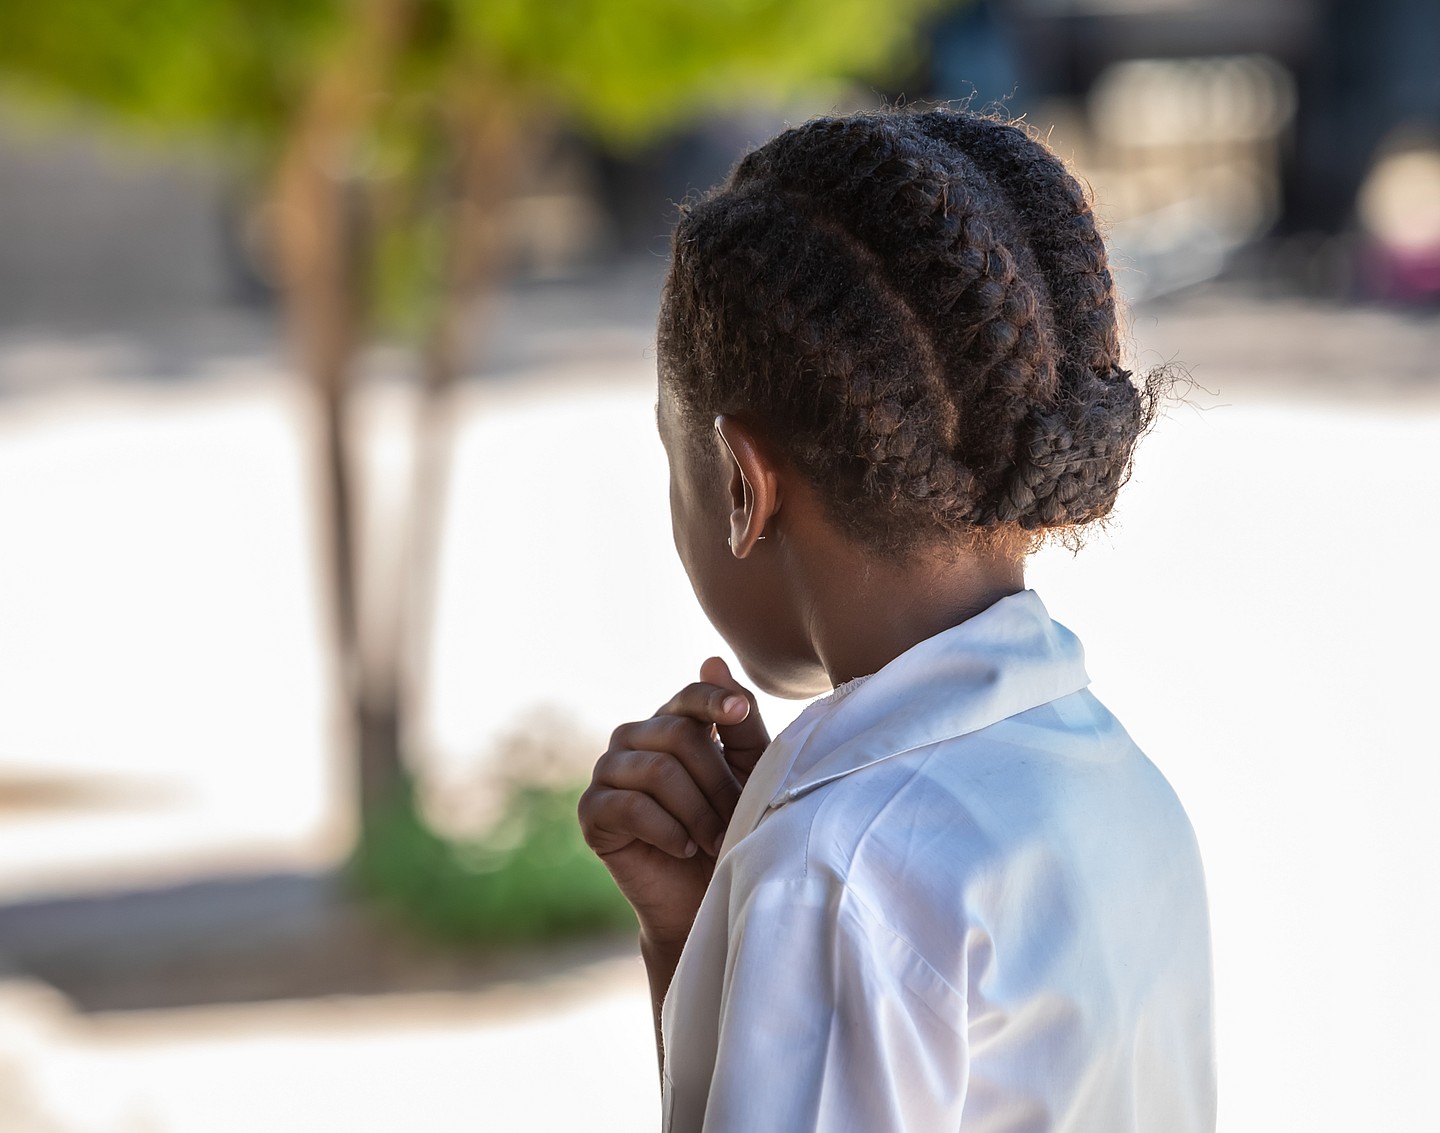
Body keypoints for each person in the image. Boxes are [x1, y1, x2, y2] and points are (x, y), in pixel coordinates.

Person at [577, 107, 1216, 1132]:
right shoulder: (1113, 782)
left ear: (744, 487)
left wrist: (777, 910)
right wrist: (701, 942)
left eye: (673, 452)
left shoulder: (839, 869)